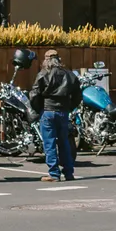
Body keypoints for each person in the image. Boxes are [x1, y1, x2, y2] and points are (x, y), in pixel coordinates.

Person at [29, 50, 82, 182]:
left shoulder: (42, 74)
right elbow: (78, 95)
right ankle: (69, 173)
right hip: (63, 111)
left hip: (47, 110)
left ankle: (54, 174)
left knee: (50, 143)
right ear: (58, 59)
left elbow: (34, 95)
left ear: (46, 60)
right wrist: (69, 107)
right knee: (64, 142)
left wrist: (39, 109)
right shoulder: (69, 75)